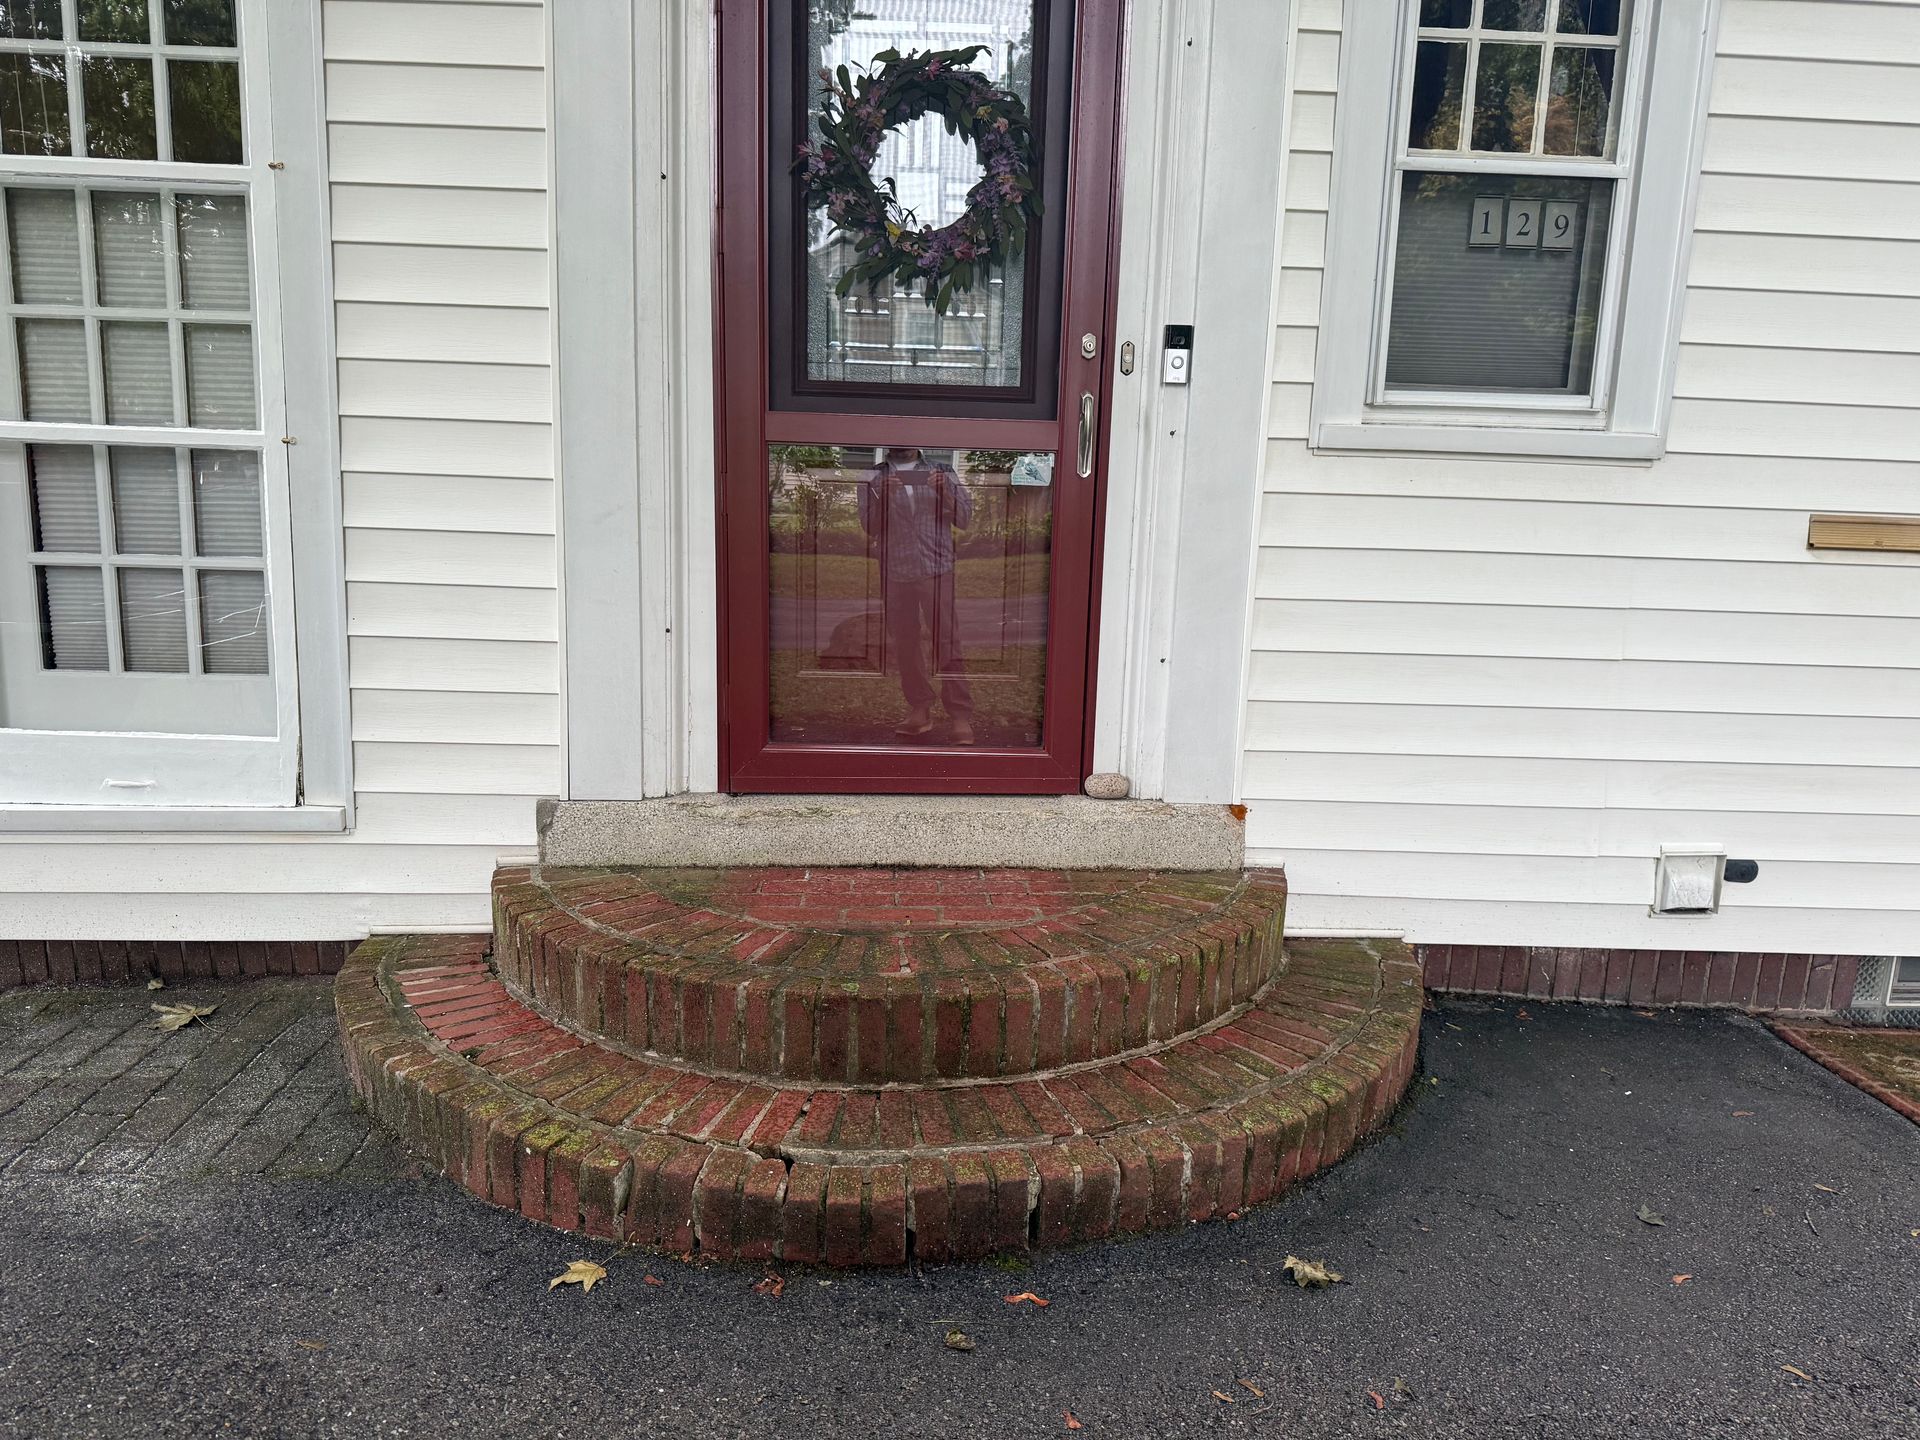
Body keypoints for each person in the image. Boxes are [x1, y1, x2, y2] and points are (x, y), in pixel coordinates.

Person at [857, 446, 975, 743]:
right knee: (905, 642)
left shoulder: (943, 472)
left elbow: (964, 519)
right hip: (895, 568)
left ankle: (959, 715)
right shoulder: (872, 476)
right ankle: (919, 708)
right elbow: (869, 528)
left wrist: (944, 494)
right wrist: (883, 497)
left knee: (947, 639)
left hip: (936, 566)